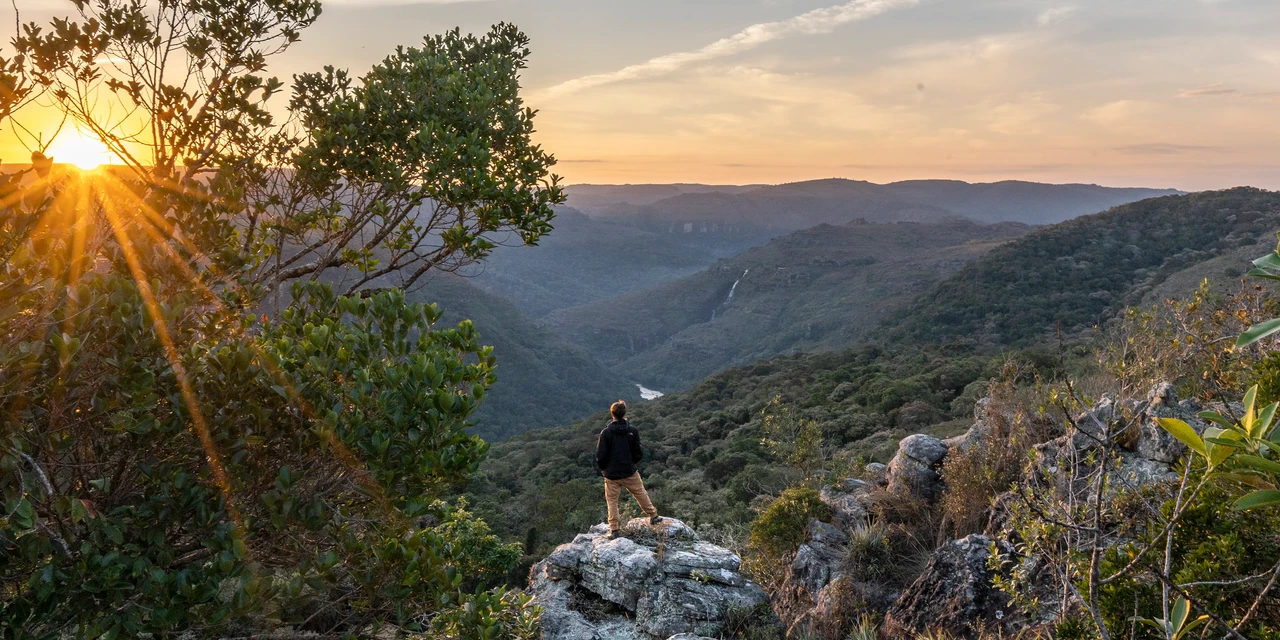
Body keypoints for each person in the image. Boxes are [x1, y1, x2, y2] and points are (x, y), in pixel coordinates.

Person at [595, 400, 663, 539]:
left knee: (612, 501)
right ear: (624, 413)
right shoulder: (632, 430)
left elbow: (600, 455)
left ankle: (614, 530)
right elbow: (638, 452)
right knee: (640, 493)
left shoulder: (606, 433)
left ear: (612, 414)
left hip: (612, 474)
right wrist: (632, 463)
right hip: (629, 471)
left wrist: (604, 469)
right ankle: (653, 516)